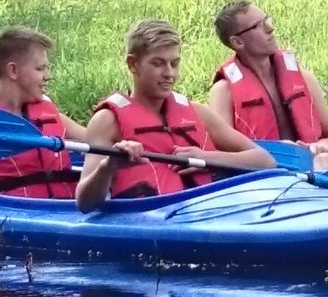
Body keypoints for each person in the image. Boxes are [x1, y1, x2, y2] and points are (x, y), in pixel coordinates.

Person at [75, 19, 275, 212]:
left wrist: (207, 157)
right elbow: (85, 203)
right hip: (149, 223)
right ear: (133, 64)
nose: (169, 73)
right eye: (158, 63)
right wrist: (109, 166)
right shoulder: (107, 121)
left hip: (209, 216)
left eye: (174, 63)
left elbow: (265, 160)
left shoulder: (197, 112)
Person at [209, 0, 328, 171]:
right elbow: (223, 158)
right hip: (265, 180)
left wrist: (324, 145)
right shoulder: (223, 92)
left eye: (266, 20)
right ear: (238, 42)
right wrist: (278, 151)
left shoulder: (305, 79)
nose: (270, 28)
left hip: (315, 172)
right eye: (257, 26)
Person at [0, 26, 86, 198]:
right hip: (16, 210)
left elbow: (93, 138)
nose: (48, 76)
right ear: (13, 71)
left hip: (64, 208)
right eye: (40, 69)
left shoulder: (46, 111)